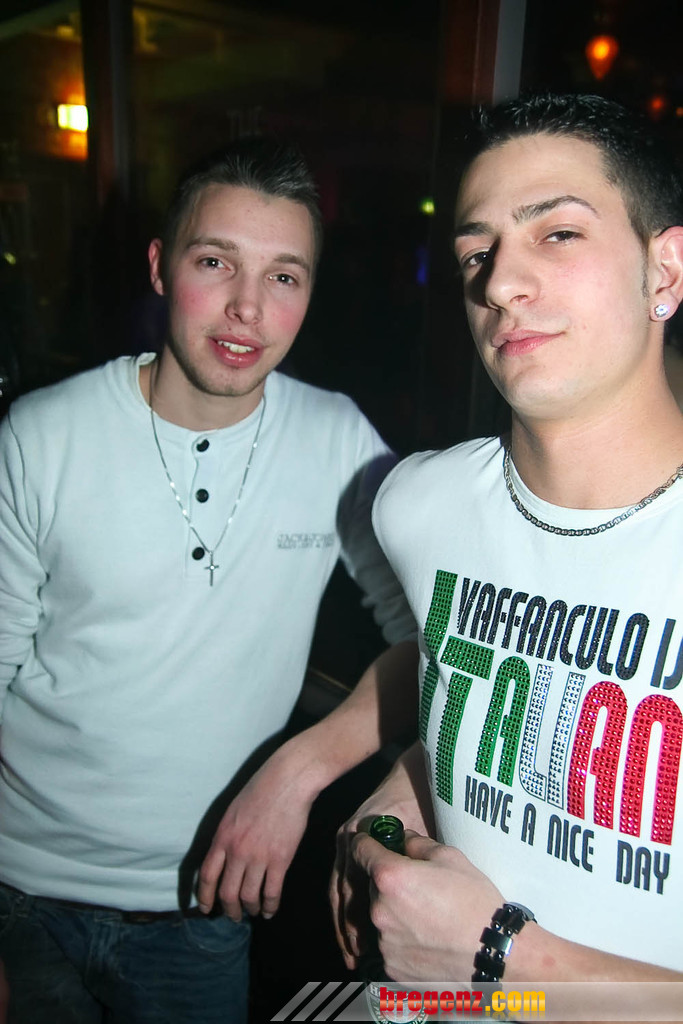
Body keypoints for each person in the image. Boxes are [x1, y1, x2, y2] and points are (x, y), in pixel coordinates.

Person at [0, 137, 417, 1023]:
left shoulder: (337, 440)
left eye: (283, 277)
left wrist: (296, 772)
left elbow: (441, 639)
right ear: (161, 267)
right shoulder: (40, 436)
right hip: (20, 899)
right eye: (215, 262)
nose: (246, 308)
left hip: (205, 907)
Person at [333, 93, 683, 989]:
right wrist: (403, 790)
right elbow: (490, 718)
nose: (497, 285)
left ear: (664, 270)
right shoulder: (417, 506)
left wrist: (506, 961)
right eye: (475, 254)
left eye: (556, 234)